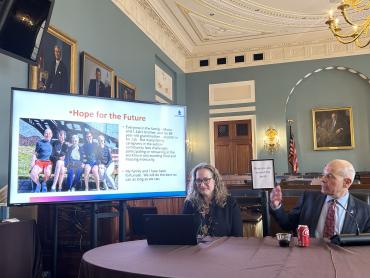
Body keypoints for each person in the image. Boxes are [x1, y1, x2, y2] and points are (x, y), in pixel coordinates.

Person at [270, 159, 370, 238]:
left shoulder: (364, 210)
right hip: (309, 254)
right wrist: (276, 206)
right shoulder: (308, 199)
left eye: (330, 176)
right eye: (323, 175)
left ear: (347, 182)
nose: (322, 179)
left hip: (343, 258)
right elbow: (287, 224)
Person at [183, 163, 243, 237]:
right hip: (197, 248)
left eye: (206, 180)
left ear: (215, 181)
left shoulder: (230, 203)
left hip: (224, 248)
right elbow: (184, 234)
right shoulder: (190, 203)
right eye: (198, 180)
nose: (202, 184)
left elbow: (238, 236)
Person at [30, 128, 53, 192]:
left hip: (48, 162)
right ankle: (38, 184)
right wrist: (32, 162)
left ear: (51, 135)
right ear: (44, 134)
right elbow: (35, 153)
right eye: (46, 133)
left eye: (49, 133)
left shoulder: (53, 143)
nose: (47, 135)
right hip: (39, 161)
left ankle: (44, 183)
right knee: (33, 173)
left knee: (47, 173)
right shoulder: (39, 143)